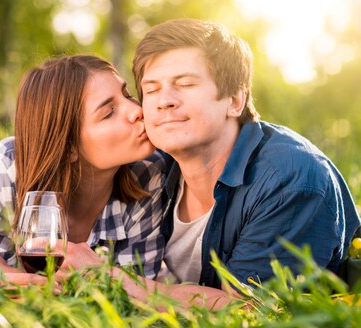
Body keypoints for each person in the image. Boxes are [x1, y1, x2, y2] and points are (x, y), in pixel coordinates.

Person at [0, 54, 237, 310]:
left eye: (127, 94)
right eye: (108, 112)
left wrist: (10, 280)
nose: (137, 109)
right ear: (69, 145)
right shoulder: (7, 166)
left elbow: (127, 306)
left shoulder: (149, 175)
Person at [132, 18, 360, 290]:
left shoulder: (291, 179)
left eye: (186, 84)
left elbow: (246, 309)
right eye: (152, 89)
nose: (164, 100)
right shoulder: (150, 169)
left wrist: (119, 282)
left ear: (235, 101)